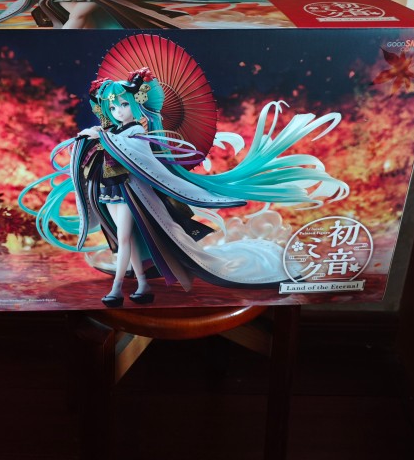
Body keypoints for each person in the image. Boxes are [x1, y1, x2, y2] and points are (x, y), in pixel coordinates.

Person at [20, 37, 348, 306]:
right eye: (113, 107)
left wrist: (100, 137)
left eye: (124, 105)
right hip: (114, 192)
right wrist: (93, 136)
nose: (118, 111)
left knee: (124, 238)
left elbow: (134, 155)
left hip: (136, 193)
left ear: (136, 106)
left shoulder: (136, 132)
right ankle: (142, 285)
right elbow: (105, 144)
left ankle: (116, 289)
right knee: (126, 239)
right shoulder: (115, 131)